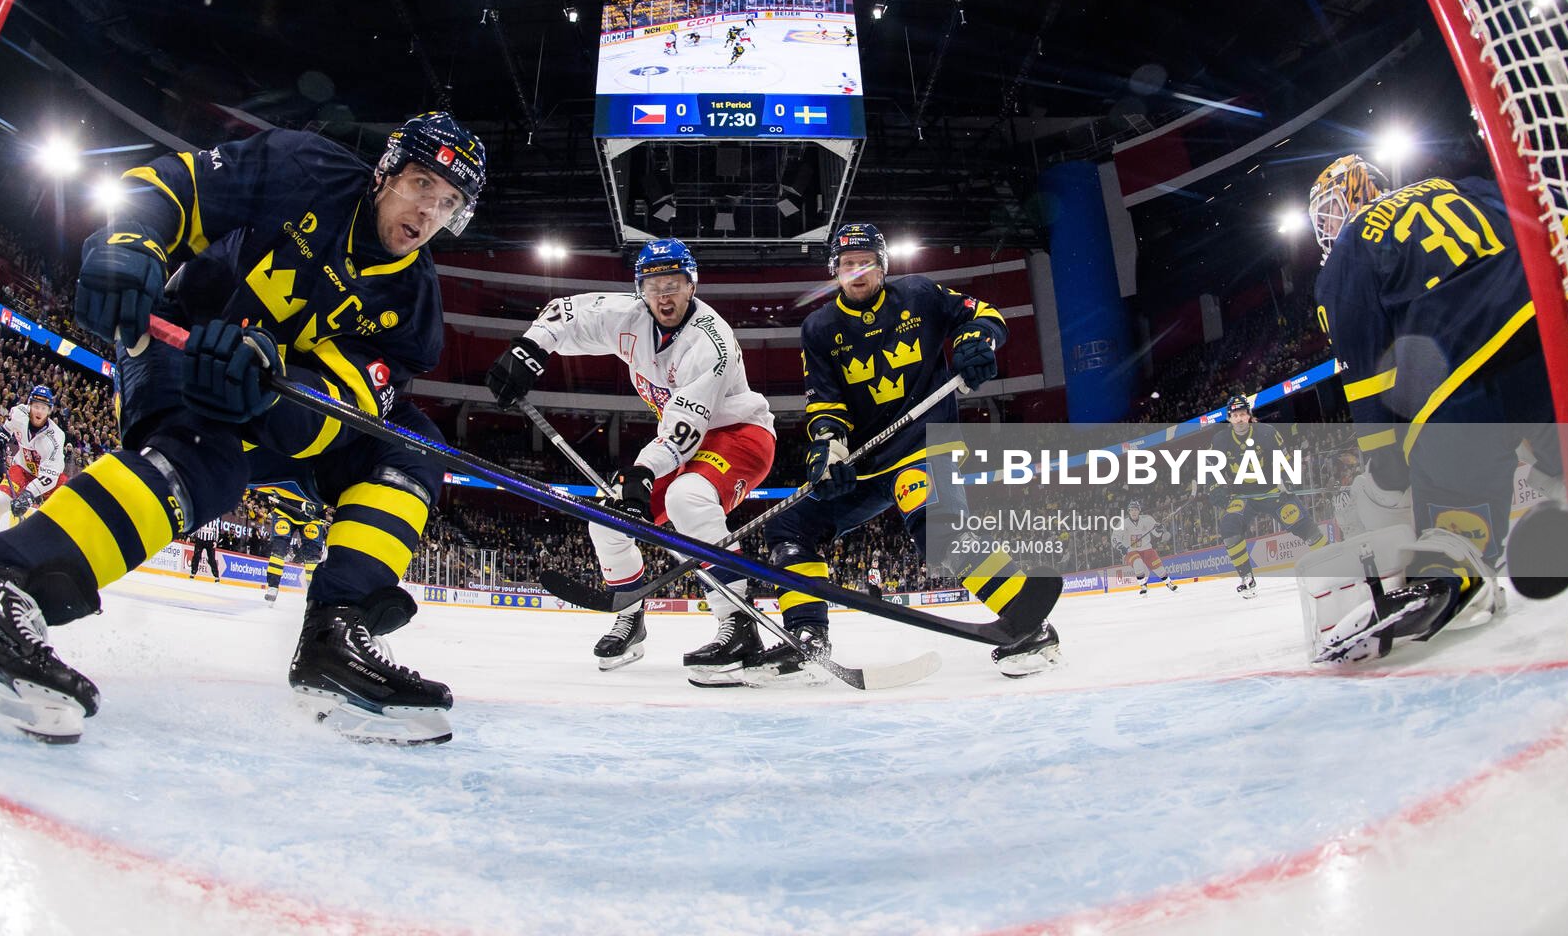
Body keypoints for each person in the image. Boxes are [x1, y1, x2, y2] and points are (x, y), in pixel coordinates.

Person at [0, 112, 487, 744]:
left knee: (414, 447)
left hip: (272, 406)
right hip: (180, 341)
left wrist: (270, 392)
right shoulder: (302, 167)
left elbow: (344, 410)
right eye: (422, 184)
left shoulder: (415, 311)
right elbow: (173, 186)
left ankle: (335, 635)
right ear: (386, 172)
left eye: (448, 203)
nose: (429, 212)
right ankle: (11, 593)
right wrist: (130, 244)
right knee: (208, 463)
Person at [764, 222, 1061, 683]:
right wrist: (828, 447)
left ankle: (1028, 619)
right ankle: (807, 636)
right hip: (865, 465)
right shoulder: (819, 328)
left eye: (866, 263)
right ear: (835, 271)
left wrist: (974, 340)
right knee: (788, 526)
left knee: (937, 526)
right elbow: (824, 401)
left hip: (923, 444)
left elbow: (983, 313)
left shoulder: (919, 295)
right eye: (847, 264)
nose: (857, 272)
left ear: (882, 266)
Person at [485, 238, 776, 685]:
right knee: (606, 521)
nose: (663, 296)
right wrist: (529, 349)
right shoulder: (631, 315)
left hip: (739, 435)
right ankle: (630, 616)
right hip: (680, 443)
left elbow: (686, 425)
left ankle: (738, 625)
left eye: (673, 284)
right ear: (640, 289)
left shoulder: (710, 340)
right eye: (652, 286)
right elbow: (565, 312)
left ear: (692, 284)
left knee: (686, 497)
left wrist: (643, 471)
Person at [1307, 154, 1560, 661]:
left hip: (1459, 374)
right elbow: (1535, 224)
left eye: (1330, 211)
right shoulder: (1460, 186)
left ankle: (1451, 568)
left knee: (1452, 535)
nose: (1328, 228)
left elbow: (1368, 382)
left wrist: (1388, 470)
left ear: (1355, 193)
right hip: (1545, 330)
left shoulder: (1349, 251)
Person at [1210, 393, 1322, 597]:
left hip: (1273, 492)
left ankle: (1332, 561)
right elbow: (1210, 469)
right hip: (1242, 497)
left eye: (1242, 414)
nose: (1239, 419)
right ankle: (1247, 578)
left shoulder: (1267, 433)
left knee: (1304, 526)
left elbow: (1285, 460)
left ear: (1249, 415)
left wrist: (1288, 480)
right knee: (1229, 526)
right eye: (1235, 415)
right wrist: (1215, 488)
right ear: (1229, 418)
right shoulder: (1220, 440)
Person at [0, 385, 65, 557]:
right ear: (30, 405)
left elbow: (49, 478)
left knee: (60, 515)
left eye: (44, 408)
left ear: (49, 411)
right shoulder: (18, 413)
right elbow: (6, 429)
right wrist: (0, 439)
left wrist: (28, 494)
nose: (39, 411)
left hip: (51, 479)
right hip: (23, 468)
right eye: (36, 406)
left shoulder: (55, 438)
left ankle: (56, 553)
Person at [261, 489, 328, 603]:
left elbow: (330, 488)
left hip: (312, 516)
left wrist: (317, 506)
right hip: (285, 510)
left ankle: (312, 592)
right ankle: (272, 586)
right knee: (279, 549)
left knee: (311, 557)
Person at [1117, 499, 1178, 594]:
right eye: (1131, 510)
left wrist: (1159, 529)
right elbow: (1115, 537)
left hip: (1147, 548)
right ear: (1129, 511)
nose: (1134, 512)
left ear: (1139, 511)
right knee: (1137, 563)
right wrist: (1120, 546)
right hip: (1131, 550)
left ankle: (1169, 583)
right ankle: (1143, 586)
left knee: (1159, 568)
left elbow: (1157, 533)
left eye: (1135, 510)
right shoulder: (1123, 523)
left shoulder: (1147, 519)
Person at [187, 517, 222, 582]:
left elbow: (216, 530)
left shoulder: (214, 519)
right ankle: (193, 572)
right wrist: (189, 536)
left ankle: (216, 576)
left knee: (211, 559)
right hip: (200, 540)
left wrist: (215, 541)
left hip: (210, 541)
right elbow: (196, 528)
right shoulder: (202, 518)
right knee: (196, 556)